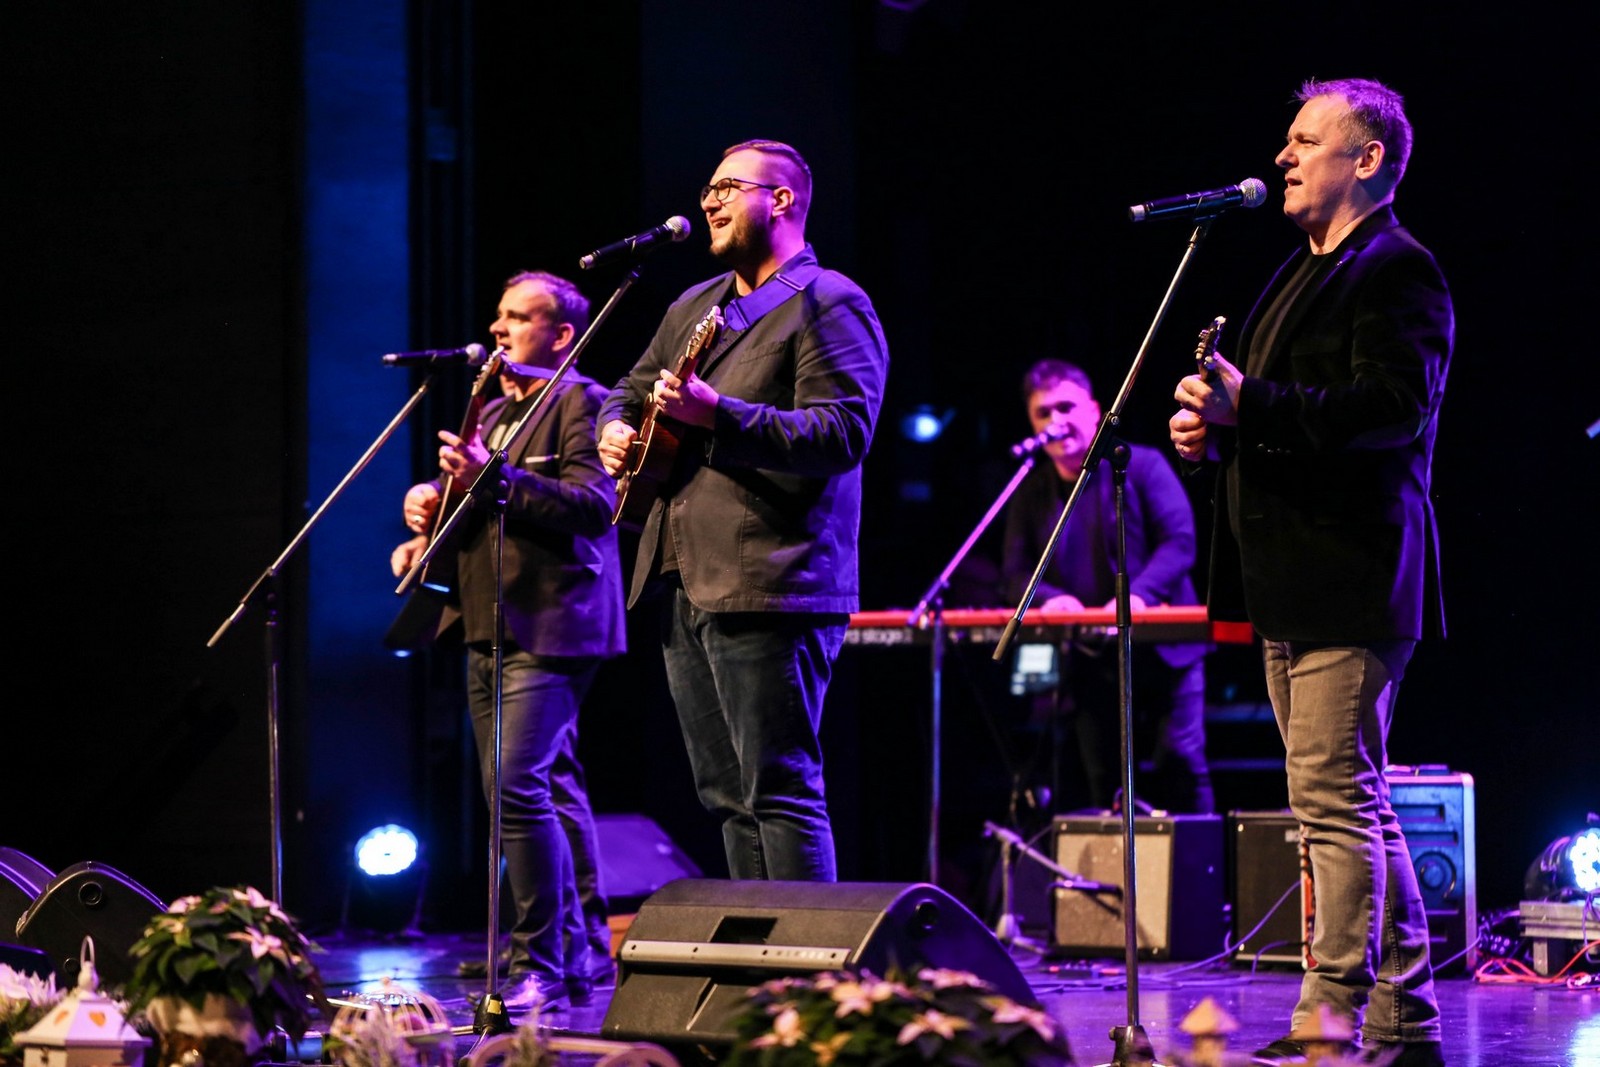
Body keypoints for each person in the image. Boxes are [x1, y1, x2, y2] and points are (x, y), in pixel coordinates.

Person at [1170, 78, 1451, 1067]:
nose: (1282, 157)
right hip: (1291, 573)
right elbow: (1269, 406)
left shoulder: (1396, 270)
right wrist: (1210, 427)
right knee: (1348, 796)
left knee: (1333, 798)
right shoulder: (1297, 269)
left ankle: (1326, 1018)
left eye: (1303, 141)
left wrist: (1259, 407)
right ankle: (1406, 1019)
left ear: (1364, 159)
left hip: (1353, 570)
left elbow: (1389, 409)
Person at [596, 139, 889, 881]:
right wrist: (614, 428)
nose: (708, 201)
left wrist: (716, 413)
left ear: (781, 200)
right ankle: (763, 971)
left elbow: (842, 433)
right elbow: (626, 390)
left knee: (780, 787)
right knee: (726, 793)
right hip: (681, 573)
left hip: (773, 577)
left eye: (727, 187)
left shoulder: (830, 301)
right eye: (707, 187)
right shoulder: (693, 305)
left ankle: (809, 976)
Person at [390, 269, 627, 1013]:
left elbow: (596, 504)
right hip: (485, 622)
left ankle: (539, 964)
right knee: (550, 785)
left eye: (519, 318)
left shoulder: (580, 400)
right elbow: (478, 509)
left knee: (515, 787)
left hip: (554, 620)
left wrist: (492, 480)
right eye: (498, 315)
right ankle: (583, 948)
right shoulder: (491, 410)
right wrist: (423, 528)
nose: (498, 329)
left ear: (561, 336)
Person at [1000, 358, 1212, 816]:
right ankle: (1122, 884)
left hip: (1165, 653)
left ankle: (1200, 882)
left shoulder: (1142, 466)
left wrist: (1139, 595)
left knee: (1178, 760)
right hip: (1092, 658)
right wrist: (1055, 601)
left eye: (1065, 407)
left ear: (1094, 410)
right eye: (1043, 413)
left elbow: (1180, 543)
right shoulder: (1031, 490)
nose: (1055, 422)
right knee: (1105, 782)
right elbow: (1016, 573)